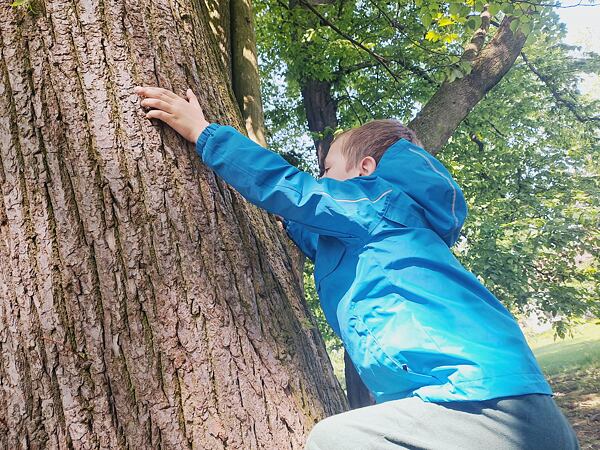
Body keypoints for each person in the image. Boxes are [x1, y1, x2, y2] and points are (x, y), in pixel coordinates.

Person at [133, 86, 580, 449]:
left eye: (327, 170)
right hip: (500, 411)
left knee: (336, 438)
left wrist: (206, 134)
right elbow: (307, 223)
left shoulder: (377, 205)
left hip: (487, 409)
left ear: (364, 169)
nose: (321, 179)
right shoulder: (380, 230)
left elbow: (295, 191)